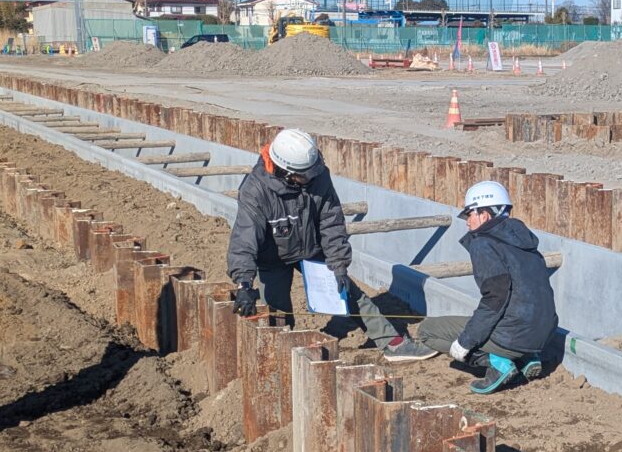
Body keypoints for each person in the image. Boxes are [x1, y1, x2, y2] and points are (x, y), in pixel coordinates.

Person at [365, 180, 558, 394]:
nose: (467, 221)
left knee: (427, 331)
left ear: (485, 214)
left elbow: (495, 299)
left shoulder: (484, 243)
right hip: (544, 333)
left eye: (469, 214)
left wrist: (466, 342)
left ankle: (498, 363)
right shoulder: (522, 239)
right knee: (498, 324)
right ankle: (525, 358)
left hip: (514, 335)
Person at [227, 128, 353, 324]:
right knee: (277, 316)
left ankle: (389, 338)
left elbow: (331, 222)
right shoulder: (255, 190)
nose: (311, 177)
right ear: (286, 173)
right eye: (305, 175)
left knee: (347, 291)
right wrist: (244, 284)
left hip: (311, 248)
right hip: (273, 258)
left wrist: (339, 265)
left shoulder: (317, 176)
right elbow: (244, 239)